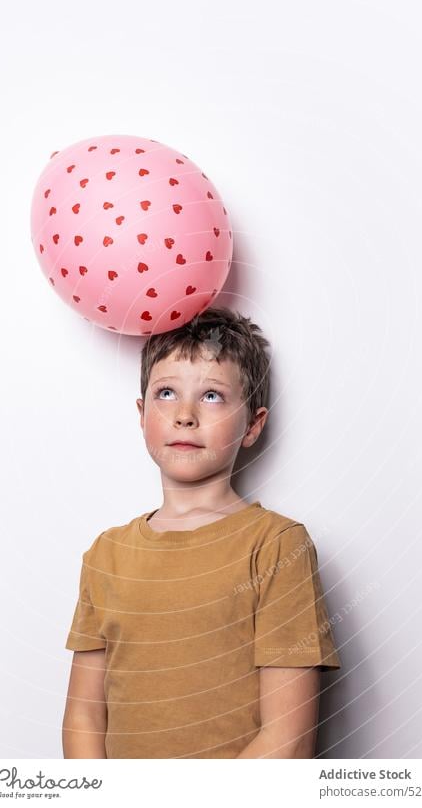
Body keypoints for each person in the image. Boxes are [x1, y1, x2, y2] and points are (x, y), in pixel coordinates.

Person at [62, 306, 341, 759]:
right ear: (141, 413)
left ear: (252, 424)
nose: (185, 415)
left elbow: (288, 739)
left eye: (211, 396)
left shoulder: (276, 546)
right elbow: (84, 718)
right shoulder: (105, 554)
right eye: (166, 392)